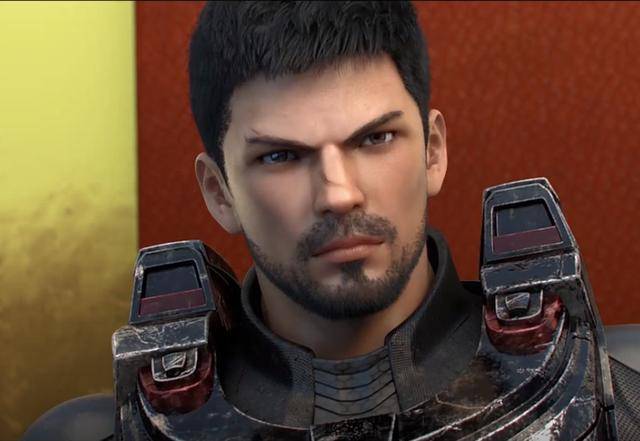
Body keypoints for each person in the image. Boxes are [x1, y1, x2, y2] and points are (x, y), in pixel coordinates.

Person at [23, 2, 640, 440]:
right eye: (281, 156)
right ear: (219, 191)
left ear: (432, 151)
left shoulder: (618, 405)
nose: (339, 194)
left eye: (375, 139)